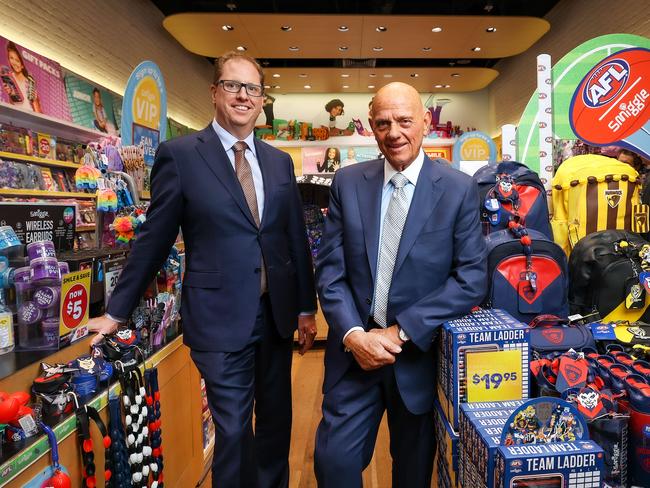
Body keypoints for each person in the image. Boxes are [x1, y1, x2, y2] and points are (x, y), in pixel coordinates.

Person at [88, 51, 318, 488]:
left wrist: (307, 307)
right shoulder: (182, 156)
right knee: (233, 432)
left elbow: (294, 242)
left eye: (252, 88)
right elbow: (153, 239)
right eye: (233, 85)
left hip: (275, 316)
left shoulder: (278, 162)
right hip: (217, 318)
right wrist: (117, 312)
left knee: (274, 426)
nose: (243, 96)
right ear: (214, 93)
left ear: (262, 99)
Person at [314, 82, 487, 487]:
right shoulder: (348, 182)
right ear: (372, 128)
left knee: (411, 472)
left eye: (404, 121)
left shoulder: (458, 190)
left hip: (416, 358)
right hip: (353, 355)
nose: (394, 132)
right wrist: (355, 335)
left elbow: (470, 279)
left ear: (425, 123)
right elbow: (331, 272)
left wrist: (401, 330)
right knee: (332, 463)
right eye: (382, 123)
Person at [2, 41, 41, 112]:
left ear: (22, 65)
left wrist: (35, 100)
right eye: (11, 58)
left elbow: (39, 112)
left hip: (29, 116)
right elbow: (12, 105)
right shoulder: (9, 77)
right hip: (15, 116)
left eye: (17, 60)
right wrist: (10, 95)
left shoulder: (29, 81)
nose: (14, 62)